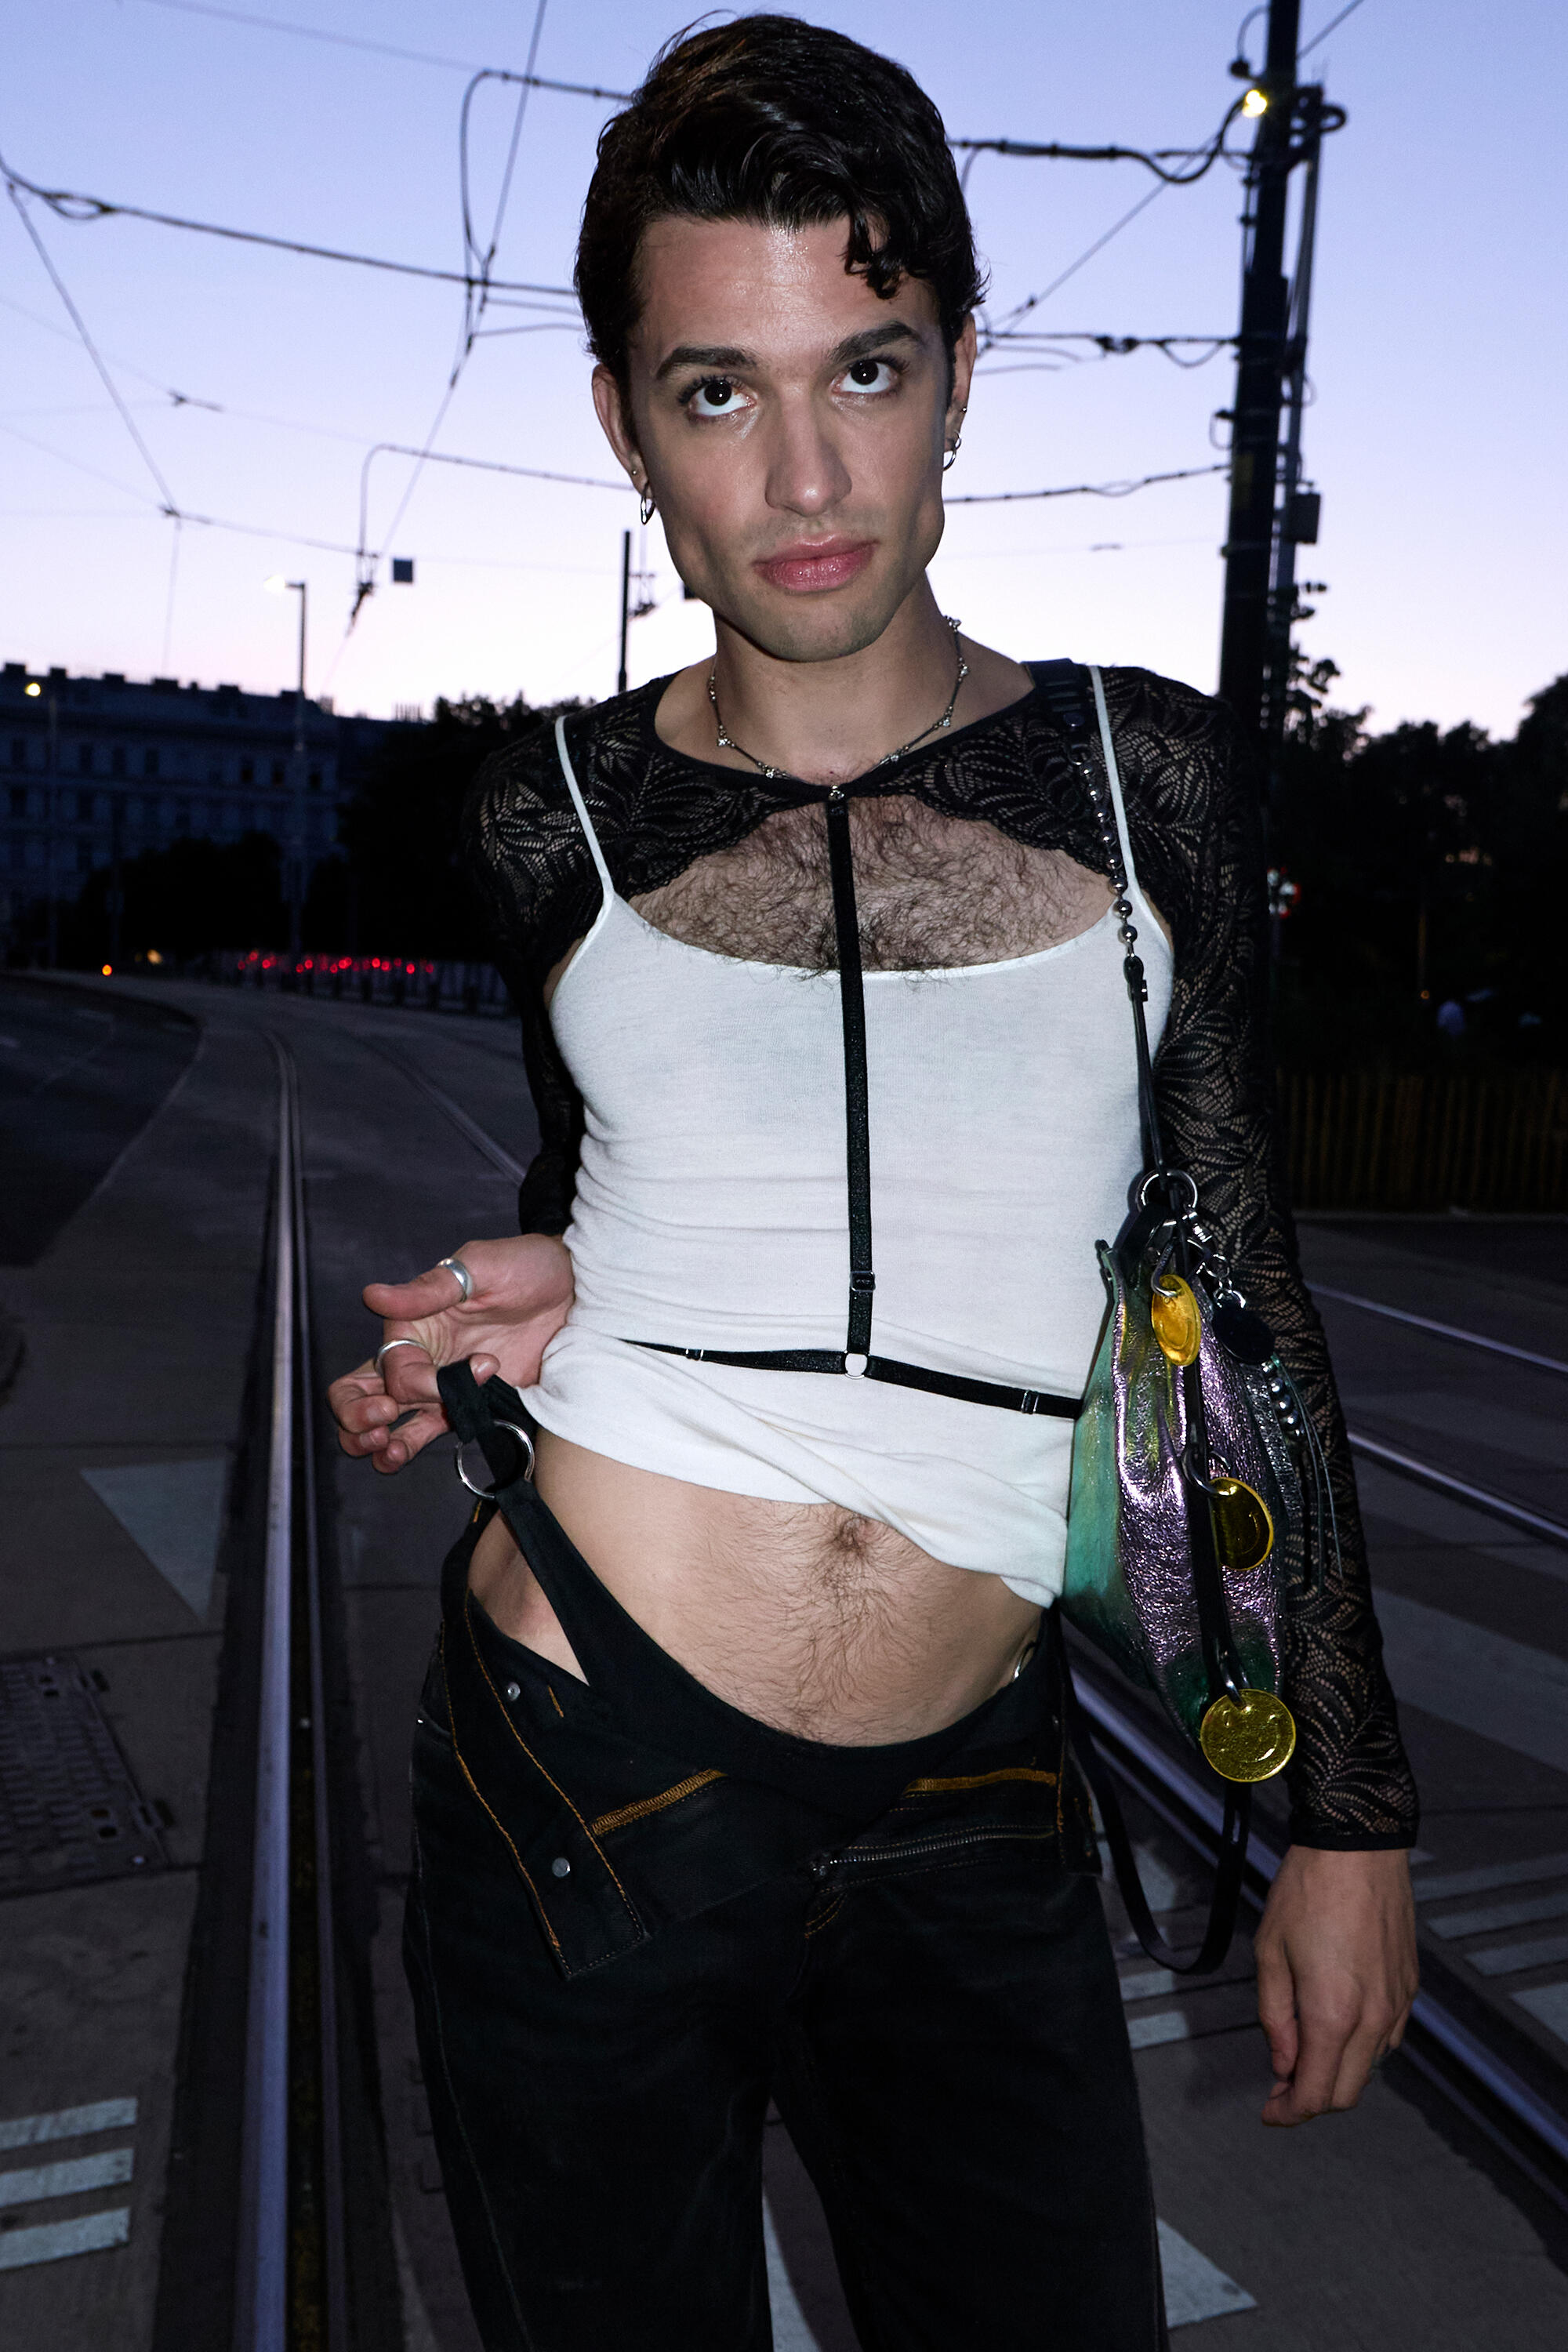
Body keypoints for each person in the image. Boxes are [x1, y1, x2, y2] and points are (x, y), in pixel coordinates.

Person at [328, 20, 1418, 2348]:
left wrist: (1350, 1815)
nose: (808, 469)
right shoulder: (554, 814)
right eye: (719, 390)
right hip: (581, 1773)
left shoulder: (1152, 782)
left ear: (959, 371)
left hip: (982, 1792)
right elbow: (617, 1139)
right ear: (628, 424)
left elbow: (1237, 1278)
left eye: (871, 366)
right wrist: (552, 1272)